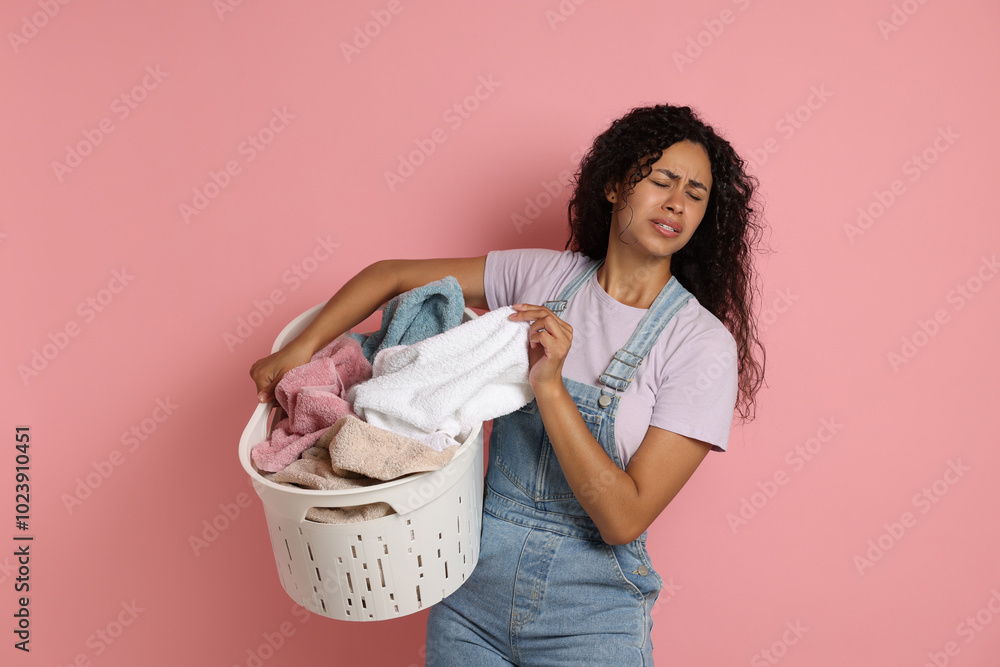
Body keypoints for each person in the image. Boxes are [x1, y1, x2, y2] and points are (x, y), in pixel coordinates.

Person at [250, 103, 765, 665]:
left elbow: (624, 518)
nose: (676, 203)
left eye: (695, 193)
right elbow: (392, 275)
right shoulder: (541, 276)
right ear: (616, 186)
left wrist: (550, 385)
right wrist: (297, 350)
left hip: (591, 621)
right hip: (470, 596)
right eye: (661, 180)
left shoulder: (700, 343)